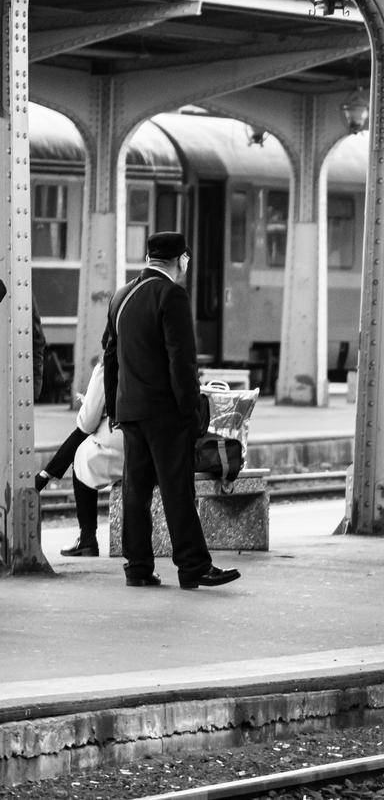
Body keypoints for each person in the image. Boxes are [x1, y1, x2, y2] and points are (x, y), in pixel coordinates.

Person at [103, 230, 240, 590]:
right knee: (177, 489)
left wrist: (116, 408)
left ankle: (138, 568)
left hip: (130, 410)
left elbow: (109, 357)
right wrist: (191, 412)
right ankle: (193, 566)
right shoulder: (171, 295)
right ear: (181, 260)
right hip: (165, 412)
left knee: (137, 489)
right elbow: (182, 362)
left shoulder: (121, 296)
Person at [33, 359, 114, 556]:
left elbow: (87, 422)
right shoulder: (151, 354)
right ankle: (44, 476)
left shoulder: (109, 364)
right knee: (84, 445)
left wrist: (88, 403)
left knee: (82, 456)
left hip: (123, 442)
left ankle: (87, 537)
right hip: (159, 443)